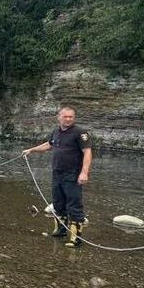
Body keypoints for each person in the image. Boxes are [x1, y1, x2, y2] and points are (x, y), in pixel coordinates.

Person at [22, 106, 92, 247]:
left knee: (74, 205)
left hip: (73, 175)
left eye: (71, 117)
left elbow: (87, 152)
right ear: (58, 117)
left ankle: (76, 239)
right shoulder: (56, 132)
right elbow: (49, 145)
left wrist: (84, 172)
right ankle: (60, 231)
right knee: (58, 203)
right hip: (57, 174)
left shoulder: (80, 133)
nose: (68, 119)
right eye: (65, 116)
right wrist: (32, 150)